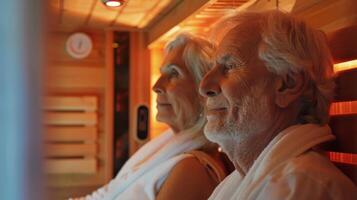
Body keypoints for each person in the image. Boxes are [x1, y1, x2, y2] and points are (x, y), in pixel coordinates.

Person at [199, 10, 357, 199]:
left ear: (287, 85)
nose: (204, 86)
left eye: (230, 66)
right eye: (212, 68)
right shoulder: (241, 181)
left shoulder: (300, 188)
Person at [72, 33, 231, 200]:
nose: (156, 86)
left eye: (174, 74)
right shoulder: (164, 146)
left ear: (204, 91)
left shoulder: (192, 171)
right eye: (162, 73)